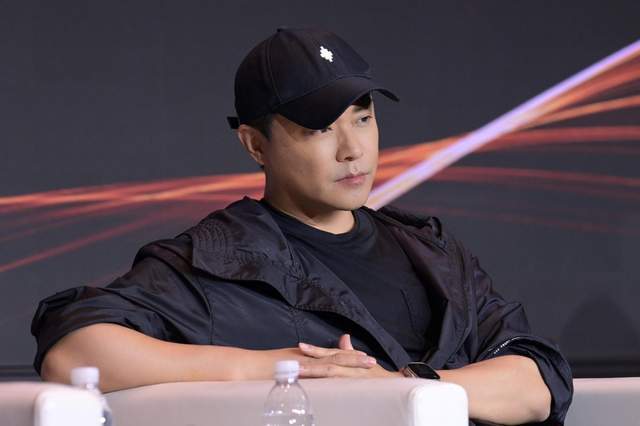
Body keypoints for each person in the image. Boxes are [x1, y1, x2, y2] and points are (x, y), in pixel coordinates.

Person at [31, 27, 573, 425]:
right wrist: (275, 369)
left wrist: (402, 386)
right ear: (255, 145)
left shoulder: (432, 251)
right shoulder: (215, 262)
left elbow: (538, 378)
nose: (352, 149)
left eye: (364, 118)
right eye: (319, 129)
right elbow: (74, 350)